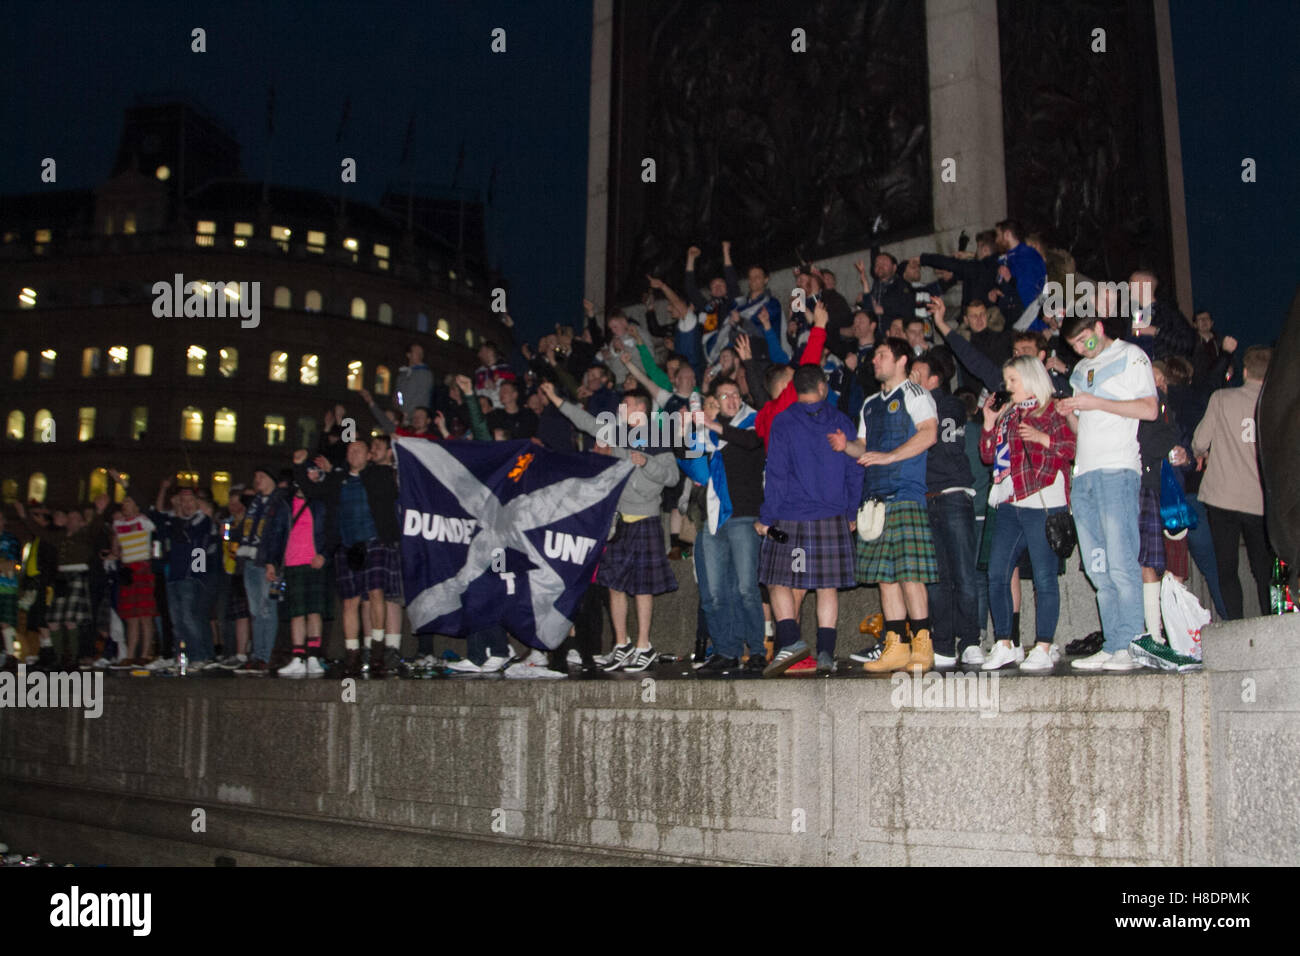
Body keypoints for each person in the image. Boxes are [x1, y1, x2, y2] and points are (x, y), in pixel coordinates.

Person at [540, 380, 679, 673]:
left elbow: (671, 478)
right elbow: (586, 422)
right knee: (614, 586)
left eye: (625, 405)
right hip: (617, 520)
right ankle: (622, 644)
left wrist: (646, 464)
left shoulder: (658, 438)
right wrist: (555, 397)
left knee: (643, 587)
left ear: (641, 409)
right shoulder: (616, 433)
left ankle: (644, 646)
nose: (619, 410)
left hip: (645, 518)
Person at [1057, 312, 1159, 670]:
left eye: (1083, 340)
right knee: (1097, 567)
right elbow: (1081, 427)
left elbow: (1150, 409)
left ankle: (1130, 643)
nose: (1080, 350)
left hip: (1117, 470)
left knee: (1120, 561)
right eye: (1072, 346)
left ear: (1098, 329)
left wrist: (1094, 402)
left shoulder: (1131, 356)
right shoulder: (1080, 371)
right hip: (1084, 473)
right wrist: (1069, 410)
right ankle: (1113, 641)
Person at [833, 337, 939, 672]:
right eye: (875, 356)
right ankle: (896, 645)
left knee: (910, 573)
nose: (874, 361)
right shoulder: (868, 404)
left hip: (905, 492)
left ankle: (923, 644)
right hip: (874, 498)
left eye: (881, 356)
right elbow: (863, 448)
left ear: (901, 360)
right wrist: (845, 446)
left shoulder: (916, 394)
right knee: (885, 576)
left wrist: (891, 456)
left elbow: (929, 434)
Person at [759, 365, 863, 675]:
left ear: (795, 389)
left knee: (776, 579)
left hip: (788, 517)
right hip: (832, 516)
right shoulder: (840, 420)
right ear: (822, 388)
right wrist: (852, 511)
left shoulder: (784, 421)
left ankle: (790, 641)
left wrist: (767, 517)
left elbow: (775, 474)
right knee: (826, 586)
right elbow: (856, 468)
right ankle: (826, 653)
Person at [979, 356, 1076, 671]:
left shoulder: (1051, 409)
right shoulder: (1008, 414)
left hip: (1043, 500)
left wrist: (1043, 439)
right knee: (996, 573)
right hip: (1009, 501)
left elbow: (1073, 448)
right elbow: (987, 455)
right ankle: (1005, 643)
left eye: (1013, 380)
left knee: (1045, 578)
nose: (1008, 387)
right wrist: (989, 422)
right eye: (1007, 381)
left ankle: (1044, 646)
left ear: (1031, 379)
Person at [294, 440, 401, 678]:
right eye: (350, 450)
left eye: (359, 450)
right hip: (346, 546)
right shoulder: (336, 481)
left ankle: (377, 651)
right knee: (349, 602)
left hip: (375, 542)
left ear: (368, 455)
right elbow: (312, 491)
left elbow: (398, 484)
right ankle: (351, 654)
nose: (354, 453)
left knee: (376, 593)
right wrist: (301, 466)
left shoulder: (380, 475)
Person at [681, 379, 767, 674]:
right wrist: (685, 432)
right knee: (714, 593)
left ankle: (757, 650)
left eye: (734, 394)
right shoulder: (707, 433)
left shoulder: (753, 421)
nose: (730, 399)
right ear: (715, 401)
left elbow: (751, 442)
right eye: (723, 396)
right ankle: (725, 652)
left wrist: (712, 425)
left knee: (746, 588)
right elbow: (694, 468)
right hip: (714, 519)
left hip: (744, 516)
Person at [909, 347, 982, 668]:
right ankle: (943, 644)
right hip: (926, 497)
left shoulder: (946, 404)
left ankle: (970, 641)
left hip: (952, 494)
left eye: (918, 375)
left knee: (964, 574)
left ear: (934, 380)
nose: (912, 379)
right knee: (936, 577)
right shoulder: (911, 406)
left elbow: (941, 445)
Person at [1192, 346, 1274, 619]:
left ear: (1246, 371)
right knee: (1263, 568)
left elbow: (1200, 441)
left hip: (1222, 497)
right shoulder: (1274, 406)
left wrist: (1201, 452)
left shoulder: (1222, 399)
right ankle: (1270, 619)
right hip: (1259, 501)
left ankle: (1236, 624)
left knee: (1227, 567)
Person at [234, 466, 290, 675]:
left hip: (266, 562)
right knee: (255, 611)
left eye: (261, 476)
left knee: (267, 609)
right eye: (255, 476)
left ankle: (266, 656)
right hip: (250, 560)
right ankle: (258, 655)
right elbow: (244, 531)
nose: (257, 480)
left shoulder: (279, 504)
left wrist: (272, 562)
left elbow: (278, 534)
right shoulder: (255, 504)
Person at [272, 482, 329, 678]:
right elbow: (276, 533)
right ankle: (298, 657)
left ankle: (313, 656)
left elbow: (330, 531)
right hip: (291, 563)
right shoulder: (285, 504)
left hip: (313, 562)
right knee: (296, 613)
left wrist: (323, 554)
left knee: (314, 611)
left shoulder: (320, 503)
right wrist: (272, 561)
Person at [0, 511, 20, 668]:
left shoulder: (11, 539)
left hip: (7, 587)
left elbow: (12, 564)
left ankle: (10, 655)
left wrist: (5, 565)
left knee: (6, 623)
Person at [396, 343, 434, 413]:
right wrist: (400, 407)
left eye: (421, 353)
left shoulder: (425, 373)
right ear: (408, 355)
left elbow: (421, 397)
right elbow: (399, 393)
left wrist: (408, 412)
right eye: (416, 352)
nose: (419, 355)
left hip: (416, 415)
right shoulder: (403, 374)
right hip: (402, 414)